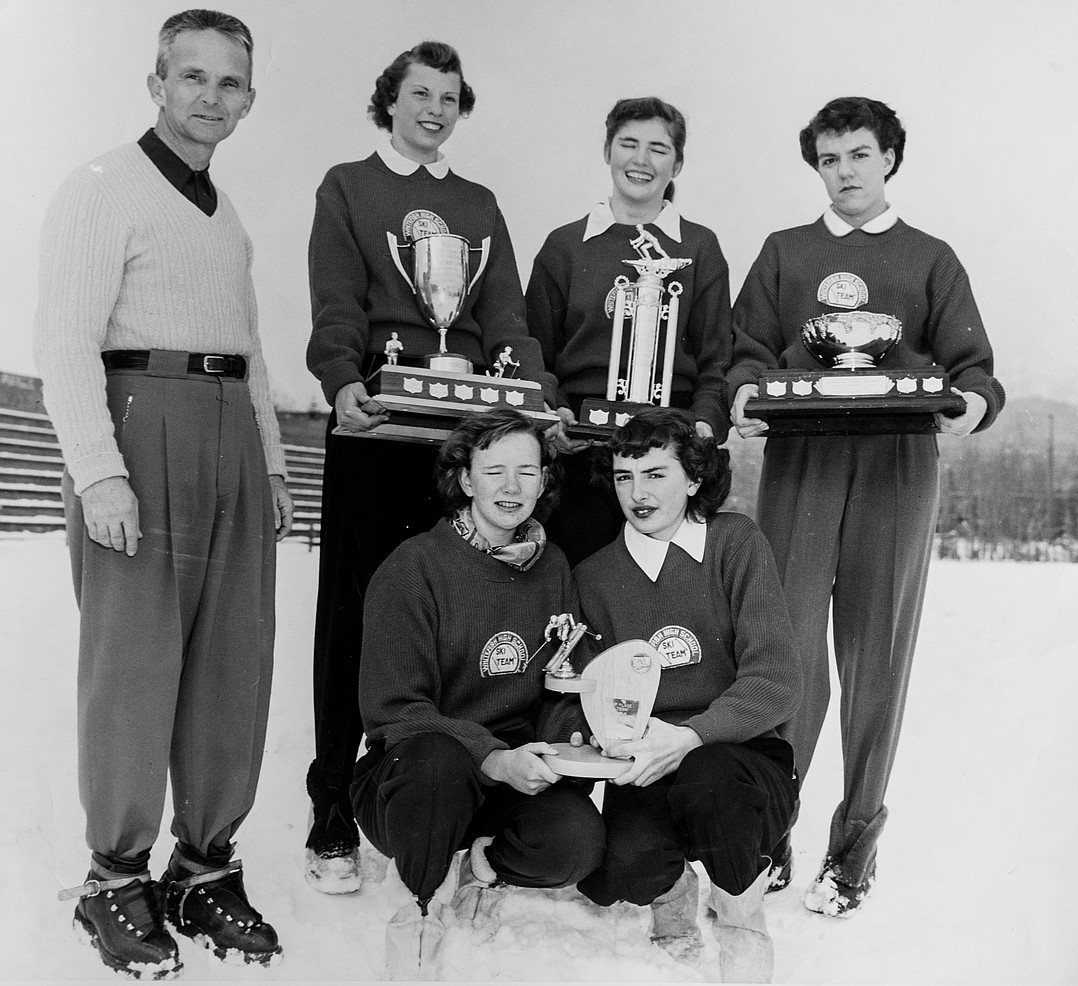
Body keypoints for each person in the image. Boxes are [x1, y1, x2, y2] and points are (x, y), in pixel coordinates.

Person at [33, 9, 293, 977]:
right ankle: (115, 878)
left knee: (234, 664)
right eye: (193, 78)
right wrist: (99, 470)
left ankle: (202, 865)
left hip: (228, 434)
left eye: (231, 84)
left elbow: (255, 353)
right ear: (157, 82)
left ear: (250, 99)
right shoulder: (102, 189)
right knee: (134, 668)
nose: (211, 98)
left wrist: (268, 461)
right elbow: (63, 344)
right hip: (139, 424)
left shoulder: (226, 217)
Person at [728, 96, 1006, 916]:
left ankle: (853, 851)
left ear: (889, 158)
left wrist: (972, 406)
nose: (843, 172)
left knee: (876, 661)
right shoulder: (785, 252)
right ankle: (770, 831)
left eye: (858, 154)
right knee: (785, 655)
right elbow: (744, 351)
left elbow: (975, 369)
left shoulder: (930, 258)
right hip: (802, 459)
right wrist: (743, 391)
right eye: (828, 159)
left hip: (897, 465)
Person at [303, 41, 557, 893]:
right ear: (391, 101)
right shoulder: (347, 185)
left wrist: (532, 391)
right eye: (419, 93)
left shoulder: (478, 204)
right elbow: (336, 304)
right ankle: (334, 812)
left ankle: (449, 801)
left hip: (462, 443)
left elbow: (507, 316)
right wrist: (342, 382)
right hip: (378, 430)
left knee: (465, 618)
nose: (435, 109)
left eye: (449, 96)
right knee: (352, 618)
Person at [351, 408, 605, 980]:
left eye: (527, 471)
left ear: (544, 480)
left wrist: (553, 751)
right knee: (438, 765)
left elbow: (562, 679)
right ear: (465, 480)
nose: (511, 488)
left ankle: (481, 866)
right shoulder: (414, 567)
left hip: (509, 771)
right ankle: (421, 914)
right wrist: (490, 755)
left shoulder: (554, 566)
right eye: (494, 471)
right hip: (415, 775)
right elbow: (396, 710)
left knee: (576, 843)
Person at [572, 408, 801, 982]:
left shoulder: (735, 542)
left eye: (655, 474)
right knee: (625, 866)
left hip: (737, 755)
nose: (637, 493)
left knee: (711, 783)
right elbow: (591, 687)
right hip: (647, 758)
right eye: (625, 477)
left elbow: (774, 680)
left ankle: (743, 921)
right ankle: (673, 896)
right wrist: (606, 738)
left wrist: (692, 734)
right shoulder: (596, 576)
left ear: (694, 479)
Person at [526, 97, 732, 566]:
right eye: (629, 144)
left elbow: (716, 360)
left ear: (677, 162)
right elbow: (535, 350)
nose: (641, 160)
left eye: (658, 149)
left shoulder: (699, 248)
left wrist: (702, 425)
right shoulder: (563, 247)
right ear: (607, 151)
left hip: (668, 448)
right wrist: (550, 411)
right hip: (578, 446)